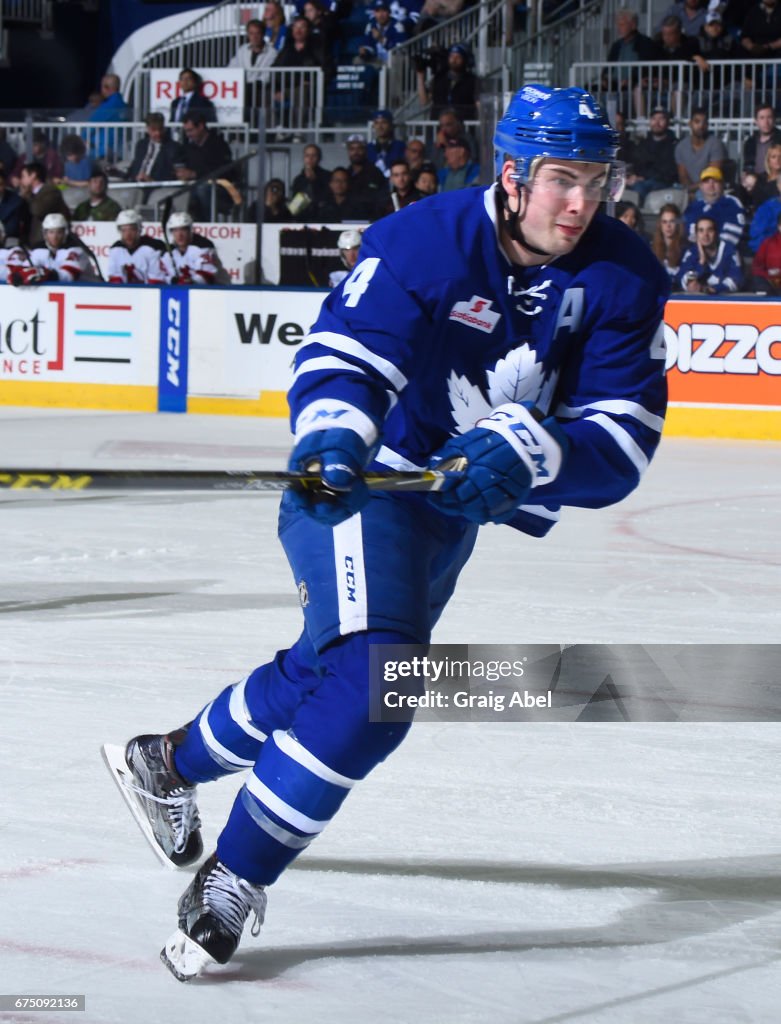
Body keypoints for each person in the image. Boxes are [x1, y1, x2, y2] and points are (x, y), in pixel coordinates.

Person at [104, 83, 669, 983]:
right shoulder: (426, 239)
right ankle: (233, 879)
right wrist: (333, 434)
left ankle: (164, 763)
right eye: (562, 179)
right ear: (513, 175)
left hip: (451, 512)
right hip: (363, 489)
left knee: (324, 673)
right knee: (377, 684)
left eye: (595, 182)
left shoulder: (623, 276)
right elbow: (348, 354)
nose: (581, 203)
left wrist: (536, 449)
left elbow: (622, 441)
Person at [6, 212, 95, 285]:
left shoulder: (75, 249)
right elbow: (26, 268)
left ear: (65, 233)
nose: (55, 237)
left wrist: (45, 273)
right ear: (45, 234)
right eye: (51, 232)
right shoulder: (40, 249)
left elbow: (68, 276)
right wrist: (17, 273)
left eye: (59, 232)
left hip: (91, 290)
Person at [177, 113, 235, 221]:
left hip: (219, 189)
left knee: (202, 190)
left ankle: (205, 225)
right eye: (186, 131)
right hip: (192, 187)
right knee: (178, 192)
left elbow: (225, 172)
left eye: (190, 130)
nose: (188, 134)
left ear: (201, 126)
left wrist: (195, 174)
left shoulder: (219, 145)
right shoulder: (188, 148)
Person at [675, 215, 743, 292]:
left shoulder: (730, 250)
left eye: (709, 230)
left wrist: (714, 289)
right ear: (696, 235)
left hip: (725, 301)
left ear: (716, 233)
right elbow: (682, 279)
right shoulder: (692, 252)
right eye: (701, 230)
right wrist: (701, 263)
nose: (705, 235)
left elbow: (736, 280)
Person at [683, 165, 745, 249]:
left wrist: (710, 251)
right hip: (695, 253)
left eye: (715, 181)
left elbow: (732, 237)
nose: (711, 185)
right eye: (706, 181)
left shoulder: (731, 203)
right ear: (701, 186)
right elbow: (688, 234)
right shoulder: (694, 207)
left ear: (722, 184)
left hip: (723, 255)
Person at [626, 106, 679, 202]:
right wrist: (633, 176)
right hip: (642, 182)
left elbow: (669, 172)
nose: (657, 123)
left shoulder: (674, 144)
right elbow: (637, 165)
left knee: (639, 188)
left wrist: (643, 177)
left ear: (667, 122)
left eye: (661, 119)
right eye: (654, 119)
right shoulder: (643, 143)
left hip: (664, 183)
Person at [107, 209, 170, 285]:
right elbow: (114, 280)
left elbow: (156, 281)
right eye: (124, 230)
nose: (128, 234)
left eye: (132, 229)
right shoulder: (115, 250)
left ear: (139, 229)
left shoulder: (152, 248)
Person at [419, 43, 478, 121]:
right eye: (452, 56)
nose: (454, 60)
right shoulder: (439, 79)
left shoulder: (472, 80)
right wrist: (420, 75)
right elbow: (424, 101)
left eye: (458, 57)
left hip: (461, 126)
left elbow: (479, 105)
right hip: (438, 127)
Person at [675, 108, 726, 197]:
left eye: (704, 123)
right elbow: (683, 176)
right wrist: (689, 191)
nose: (701, 126)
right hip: (689, 188)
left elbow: (712, 175)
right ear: (690, 124)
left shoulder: (716, 144)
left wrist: (692, 190)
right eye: (697, 122)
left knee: (701, 195)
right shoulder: (681, 147)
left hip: (711, 186)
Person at [17, 161, 71, 246]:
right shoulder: (31, 194)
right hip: (31, 241)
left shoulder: (51, 191)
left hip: (47, 242)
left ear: (33, 175)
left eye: (24, 176)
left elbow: (38, 210)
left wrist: (28, 195)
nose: (21, 180)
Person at [163, 210, 222, 285]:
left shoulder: (203, 246)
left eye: (183, 229)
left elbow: (208, 275)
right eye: (175, 230)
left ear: (190, 230)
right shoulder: (167, 252)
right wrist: (173, 280)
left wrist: (191, 281)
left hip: (215, 290)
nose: (179, 234)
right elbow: (163, 276)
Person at [126, 113, 184, 185]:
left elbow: (174, 174)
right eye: (154, 130)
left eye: (160, 129)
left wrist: (152, 180)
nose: (158, 133)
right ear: (147, 129)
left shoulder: (173, 147)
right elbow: (133, 170)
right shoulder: (141, 145)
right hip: (135, 185)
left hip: (157, 188)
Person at [289, 144, 331, 216]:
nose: (310, 159)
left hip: (322, 217)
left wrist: (314, 182)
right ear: (304, 158)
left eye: (314, 155)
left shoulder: (328, 176)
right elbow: (294, 207)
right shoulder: (298, 180)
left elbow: (327, 199)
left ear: (319, 158)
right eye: (307, 155)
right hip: (302, 218)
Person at [741, 102, 781, 177]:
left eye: (769, 117)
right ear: (756, 121)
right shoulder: (750, 142)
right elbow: (747, 167)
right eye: (762, 118)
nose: (766, 122)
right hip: (755, 182)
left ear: (774, 119)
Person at [650, 201, 686, 282]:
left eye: (672, 221)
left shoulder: (685, 248)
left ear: (678, 224)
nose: (668, 226)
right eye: (664, 222)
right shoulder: (651, 248)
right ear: (660, 224)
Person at [366, 110, 406, 178]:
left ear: (390, 125)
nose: (380, 127)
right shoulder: (368, 148)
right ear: (373, 126)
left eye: (384, 122)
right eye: (377, 123)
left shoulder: (400, 146)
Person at [751, 209, 781, 291]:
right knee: (758, 280)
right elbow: (757, 267)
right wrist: (768, 274)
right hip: (771, 282)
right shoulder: (767, 243)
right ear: (779, 226)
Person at [0, 165, 28, 241]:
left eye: (0, 184)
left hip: (9, 241)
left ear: (5, 184)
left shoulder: (16, 201)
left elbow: (13, 228)